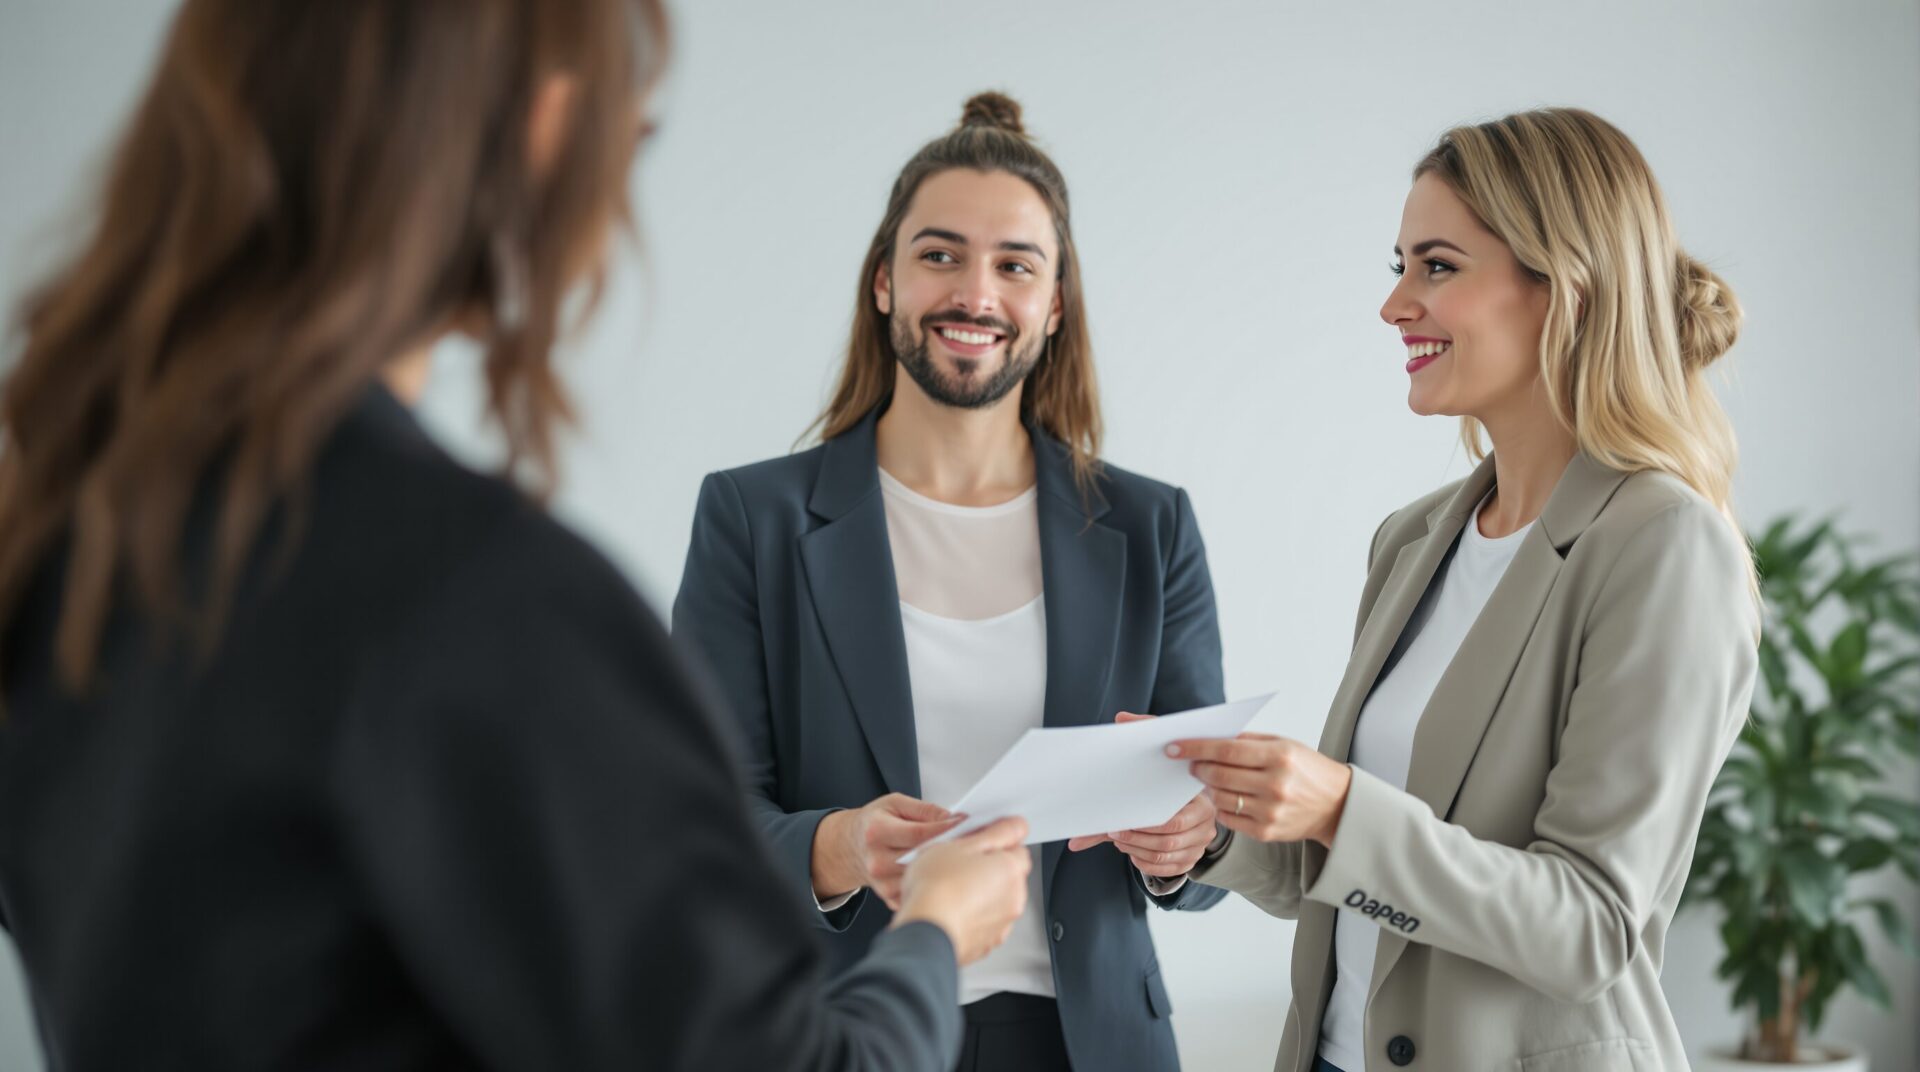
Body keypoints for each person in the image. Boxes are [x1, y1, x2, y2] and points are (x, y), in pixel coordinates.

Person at [0, 2, 1032, 1069]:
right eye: (629, 129)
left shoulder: (67, 543)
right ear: (532, 129)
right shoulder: (477, 596)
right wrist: (934, 934)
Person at [1168, 109, 1760, 1071]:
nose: (1394, 304)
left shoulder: (1664, 545)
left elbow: (1590, 928)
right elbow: (1364, 880)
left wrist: (1337, 807)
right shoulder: (1411, 542)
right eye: (1399, 266)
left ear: (1565, 290)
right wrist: (1212, 835)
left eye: (1437, 267)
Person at [672, 92, 1225, 1072]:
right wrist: (841, 845)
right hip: (850, 1031)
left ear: (1055, 305)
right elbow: (695, 829)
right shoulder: (753, 519)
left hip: (1091, 1044)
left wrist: (1193, 842)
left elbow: (1210, 827)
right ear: (884, 280)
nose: (975, 294)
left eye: (1015, 264)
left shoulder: (1150, 526)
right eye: (940, 254)